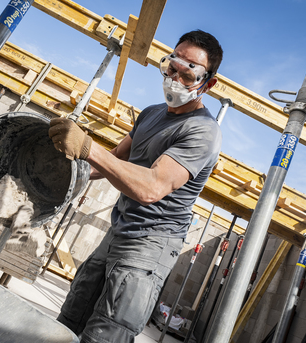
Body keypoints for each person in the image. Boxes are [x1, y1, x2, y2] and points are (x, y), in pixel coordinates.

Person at [49, 30, 223, 343]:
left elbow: (152, 187)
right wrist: (64, 172)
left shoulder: (203, 131)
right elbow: (114, 158)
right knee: (70, 317)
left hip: (151, 243)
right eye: (172, 66)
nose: (175, 78)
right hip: (119, 230)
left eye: (189, 73)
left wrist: (88, 147)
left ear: (207, 84)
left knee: (106, 334)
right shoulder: (151, 113)